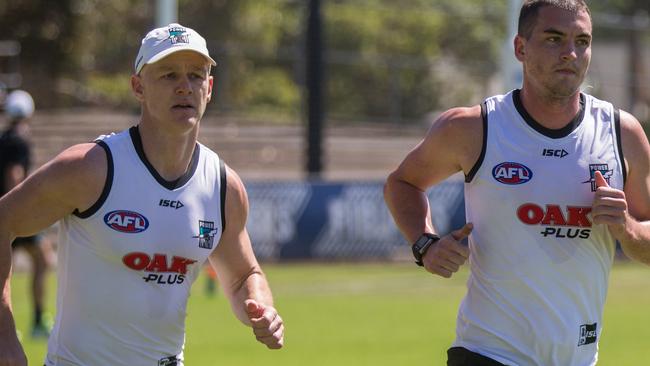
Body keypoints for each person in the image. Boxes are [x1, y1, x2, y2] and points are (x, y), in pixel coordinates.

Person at [0, 23, 284, 366]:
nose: (184, 86)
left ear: (209, 88)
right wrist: (3, 334)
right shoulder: (89, 168)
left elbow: (242, 276)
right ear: (138, 87)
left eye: (196, 75)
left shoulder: (223, 187)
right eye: (168, 75)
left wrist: (261, 306)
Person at [384, 1, 650, 365]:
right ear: (520, 48)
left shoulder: (622, 134)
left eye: (582, 41)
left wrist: (627, 230)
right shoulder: (474, 128)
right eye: (554, 39)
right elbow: (403, 183)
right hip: (486, 354)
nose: (570, 53)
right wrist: (425, 243)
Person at [0, 90, 52, 339]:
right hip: (13, 216)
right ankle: (38, 322)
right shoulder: (19, 140)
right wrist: (18, 210)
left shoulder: (4, 138)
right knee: (43, 261)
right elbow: (14, 175)